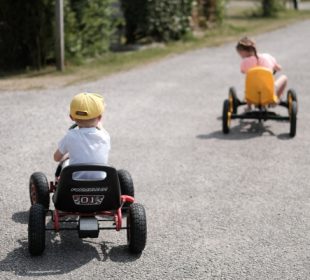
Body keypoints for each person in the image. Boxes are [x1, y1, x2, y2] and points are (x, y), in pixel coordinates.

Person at [54, 92, 110, 180]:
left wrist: (65, 157)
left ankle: (59, 187)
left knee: (65, 162)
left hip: (75, 183)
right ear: (100, 118)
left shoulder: (70, 136)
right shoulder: (105, 136)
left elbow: (56, 157)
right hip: (101, 182)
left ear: (71, 117)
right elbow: (100, 127)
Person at [236, 36, 288, 101]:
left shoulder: (245, 62)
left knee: (249, 82)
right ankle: (277, 98)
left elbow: (243, 71)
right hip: (269, 87)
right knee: (284, 77)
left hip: (253, 89)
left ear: (242, 52)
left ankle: (248, 105)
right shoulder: (267, 56)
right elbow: (278, 68)